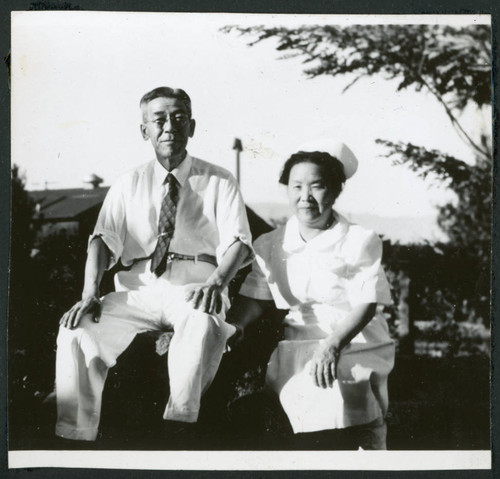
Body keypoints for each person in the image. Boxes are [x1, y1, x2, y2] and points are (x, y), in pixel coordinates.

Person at [55, 87, 253, 441]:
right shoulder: (128, 183)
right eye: (158, 119)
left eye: (178, 118)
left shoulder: (219, 180)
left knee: (202, 323)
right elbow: (102, 241)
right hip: (137, 289)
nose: (169, 127)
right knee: (77, 329)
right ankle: (75, 433)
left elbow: (238, 241)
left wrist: (217, 283)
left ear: (191, 126)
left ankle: (180, 422)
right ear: (143, 129)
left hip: (195, 285)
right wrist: (89, 292)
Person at [228, 139, 395, 450]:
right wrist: (235, 326)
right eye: (296, 187)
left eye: (316, 186)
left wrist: (332, 346)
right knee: (302, 406)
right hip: (298, 342)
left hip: (355, 340)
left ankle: (371, 452)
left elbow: (366, 304)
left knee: (348, 394)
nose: (305, 197)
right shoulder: (270, 243)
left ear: (335, 190)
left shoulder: (360, 240)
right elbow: (255, 299)